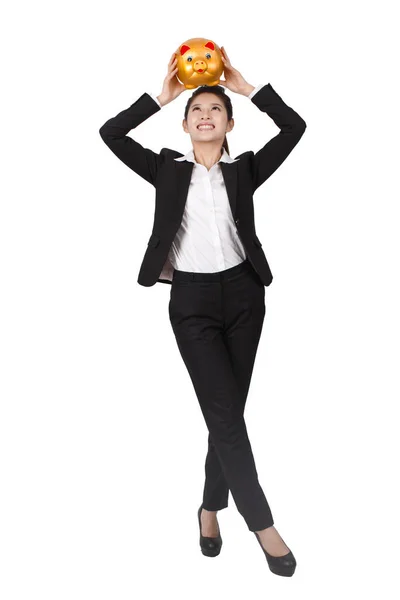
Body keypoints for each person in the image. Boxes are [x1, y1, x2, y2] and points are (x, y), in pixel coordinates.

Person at [99, 47, 306, 576]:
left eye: (215, 110)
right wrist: (162, 95)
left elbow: (294, 126)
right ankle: (263, 525)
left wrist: (244, 86)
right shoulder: (166, 169)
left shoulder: (245, 171)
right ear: (187, 125)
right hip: (190, 303)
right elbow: (111, 134)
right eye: (196, 111)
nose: (206, 115)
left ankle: (209, 508)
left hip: (244, 299)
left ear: (229, 123)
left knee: (227, 416)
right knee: (227, 417)